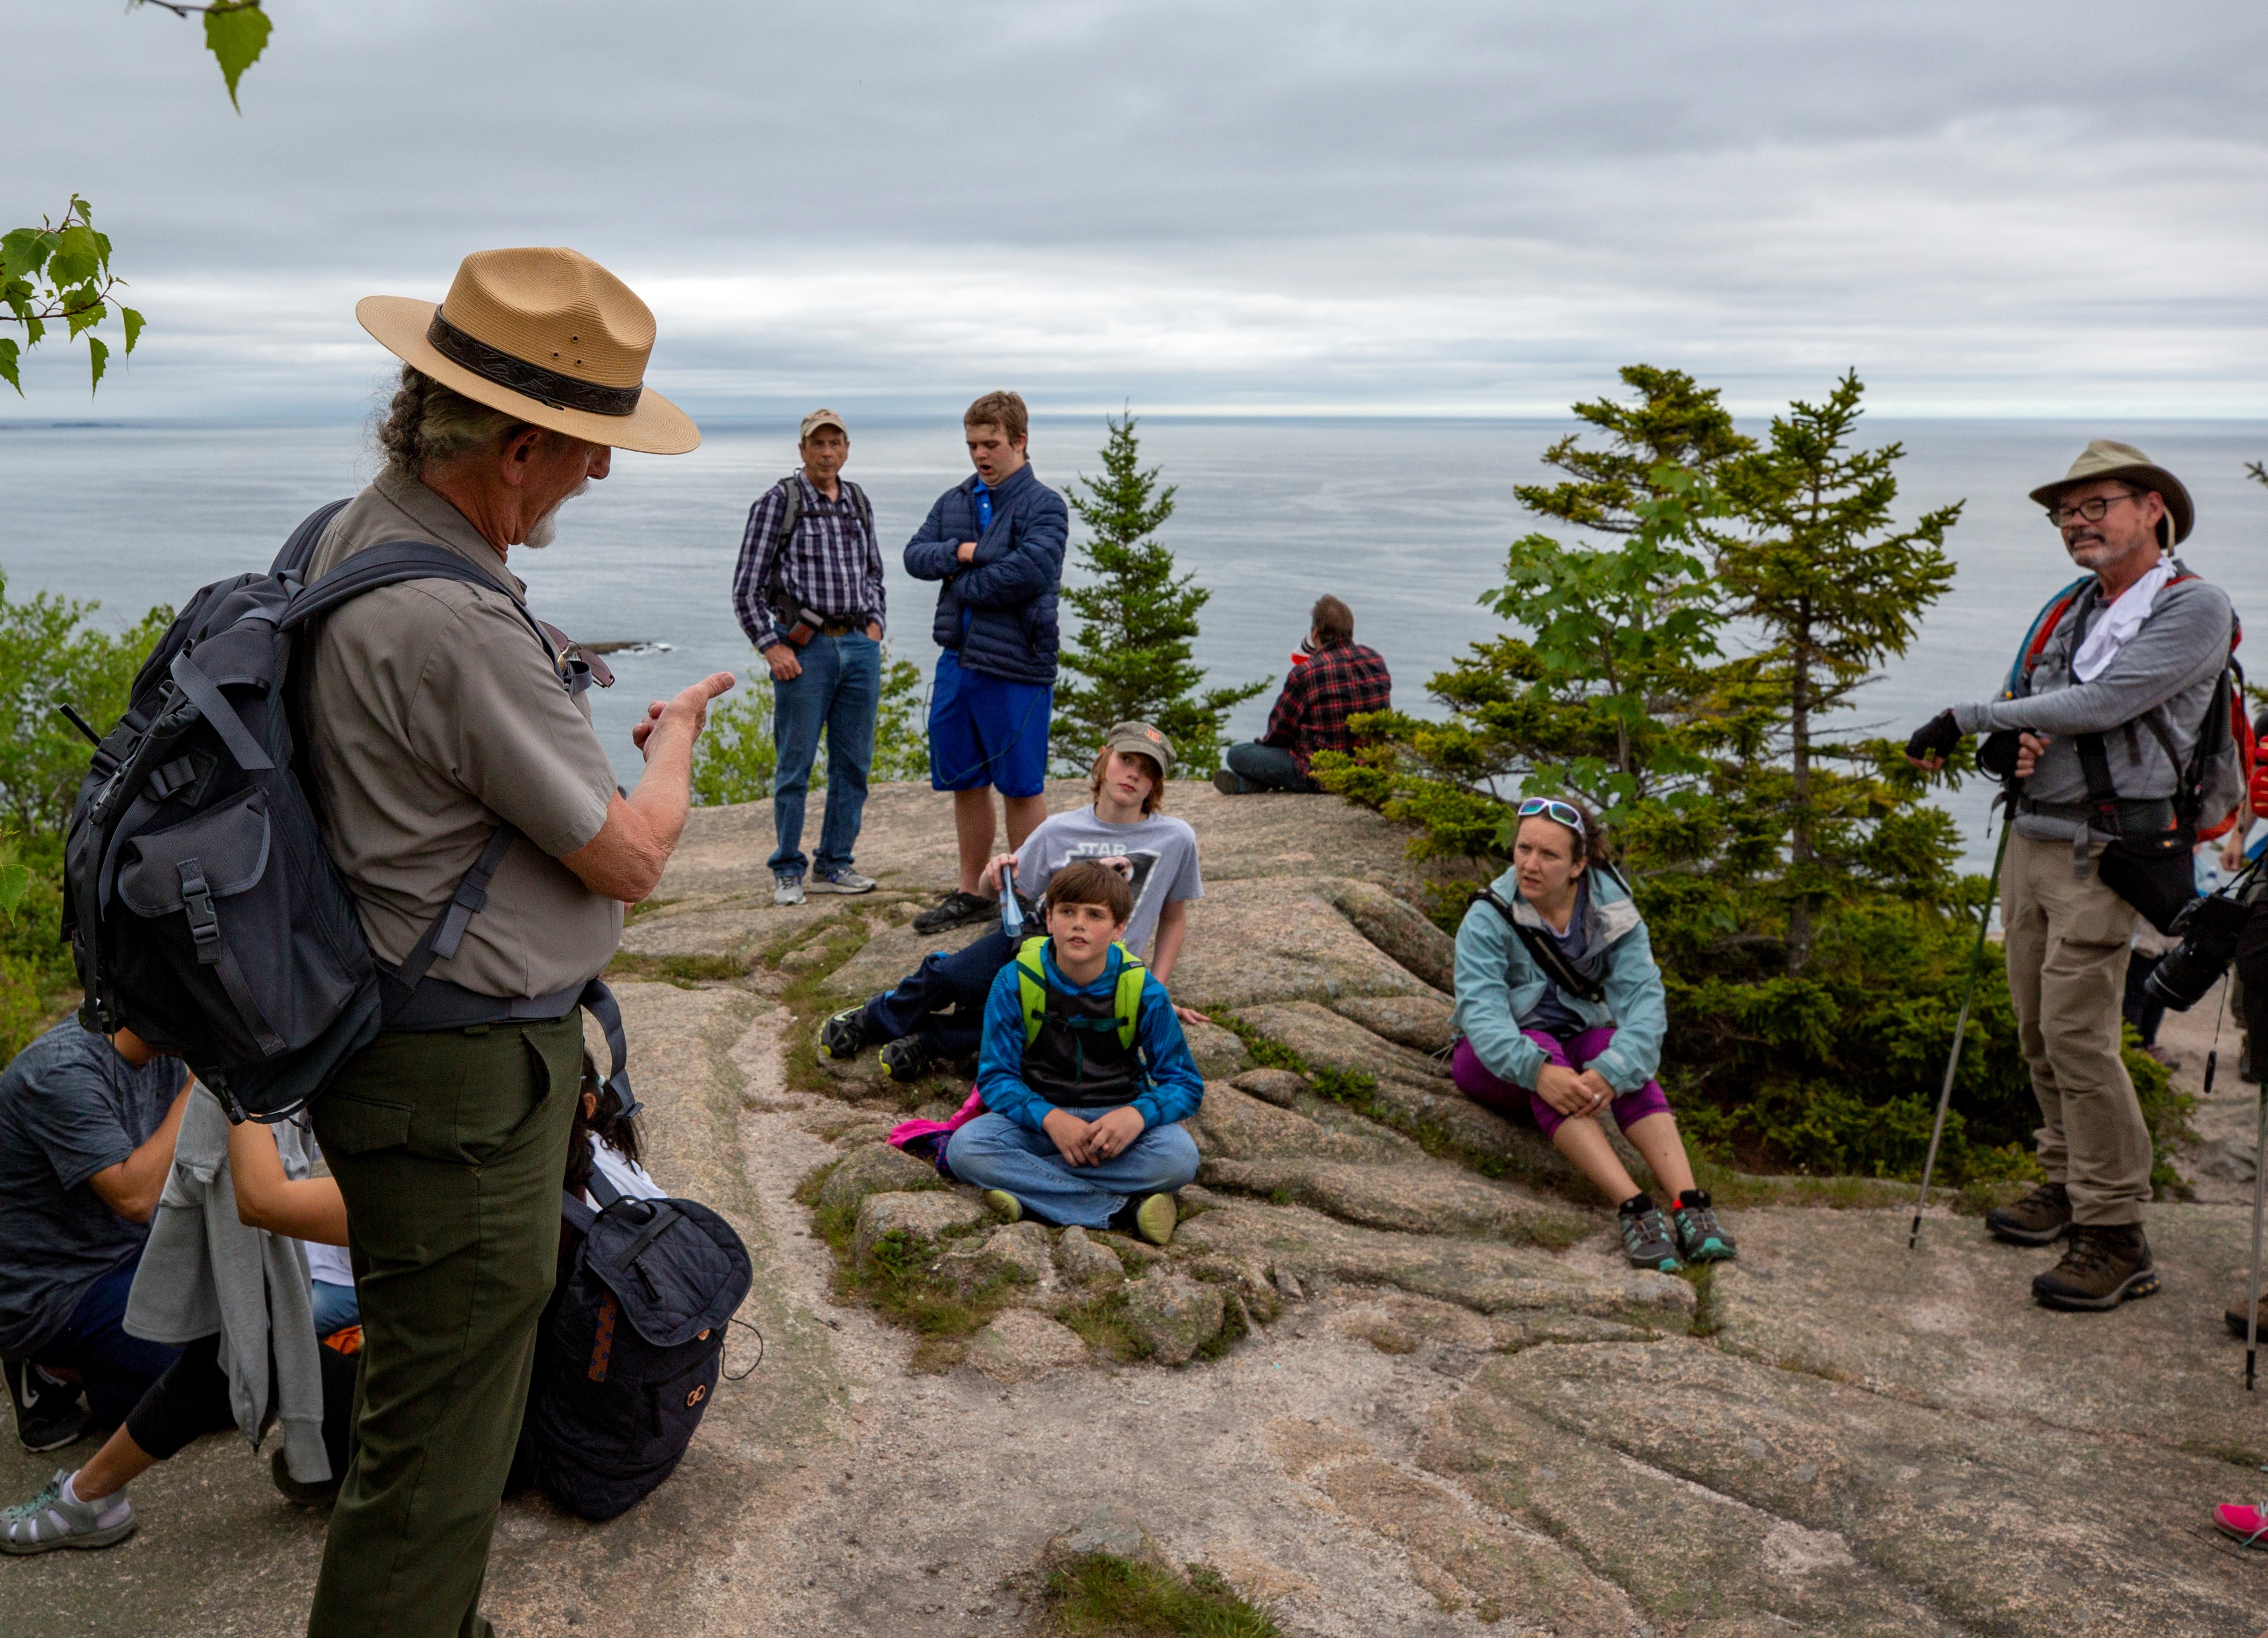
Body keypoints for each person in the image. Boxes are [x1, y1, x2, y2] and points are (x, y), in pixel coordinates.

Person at [301, 246, 731, 1637]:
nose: (597, 477)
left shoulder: (347, 533)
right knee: (436, 1442)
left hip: (409, 1051)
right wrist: (672, 748)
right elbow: (629, 853)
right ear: (521, 444)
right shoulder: (453, 618)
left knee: (451, 1396)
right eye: (588, 451)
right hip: (458, 1083)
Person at [1906, 440, 2229, 1313]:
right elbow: (2044, 703)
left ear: (2153, 508)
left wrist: (1970, 715)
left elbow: (2105, 703)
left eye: (2097, 506)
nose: (2077, 524)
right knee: (2037, 1032)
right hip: (2037, 839)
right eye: (2066, 512)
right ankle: (2069, 1185)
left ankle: (2117, 1232)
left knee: (2081, 1038)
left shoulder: (2193, 609)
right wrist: (2004, 743)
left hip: (2105, 852)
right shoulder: (2074, 608)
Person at [3, 1093, 359, 1552]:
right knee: (244, 1336)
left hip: (445, 1402)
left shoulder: (431, 1188)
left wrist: (229, 1065)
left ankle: (88, 1492)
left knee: (250, 1342)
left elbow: (262, 1201)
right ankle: (342, 1448)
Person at [820, 722, 1206, 1080]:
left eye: (1149, 769)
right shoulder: (1059, 829)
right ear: (1104, 757)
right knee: (952, 975)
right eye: (1126, 760)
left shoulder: (1175, 838)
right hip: (1034, 938)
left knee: (1022, 1016)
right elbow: (1003, 896)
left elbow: (1173, 917)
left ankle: (930, 1042)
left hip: (1102, 966)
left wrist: (1153, 990)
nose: (1134, 774)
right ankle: (874, 1017)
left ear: (1156, 783)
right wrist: (992, 877)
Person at [1449, 797, 1734, 1272]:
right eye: (1523, 849)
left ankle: (1690, 1205)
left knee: (1614, 1051)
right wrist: (1538, 1072)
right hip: (1491, 1059)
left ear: (1580, 863)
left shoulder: (1610, 907)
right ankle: (1636, 1209)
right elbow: (1482, 1017)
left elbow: (1644, 1002)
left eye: (1549, 855)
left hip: (1574, 1038)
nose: (1530, 864)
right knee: (1544, 1053)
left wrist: (1610, 1072)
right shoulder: (1489, 915)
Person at [943, 860, 1205, 1245]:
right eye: (1067, 911)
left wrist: (1137, 1115)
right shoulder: (1015, 980)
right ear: (1049, 919)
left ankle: (1031, 1192)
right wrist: (1049, 1118)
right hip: (1038, 1121)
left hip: (1113, 1125)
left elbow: (1184, 1083)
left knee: (1179, 1156)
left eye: (1095, 915)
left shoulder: (1143, 989)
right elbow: (996, 1077)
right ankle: (1124, 1207)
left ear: (1119, 930)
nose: (1078, 924)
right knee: (966, 1149)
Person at [903, 392, 1069, 933]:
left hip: (1017, 666)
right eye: (973, 444)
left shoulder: (1045, 505)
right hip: (958, 662)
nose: (981, 454)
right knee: (966, 780)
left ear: (1020, 440)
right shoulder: (955, 500)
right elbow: (914, 556)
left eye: (991, 444)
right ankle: (972, 890)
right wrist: (965, 552)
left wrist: (959, 581)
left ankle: (1029, 897)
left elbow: (1028, 573)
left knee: (1021, 785)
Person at [0, 1021, 191, 1455]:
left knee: (246, 1338)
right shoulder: (60, 1073)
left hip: (127, 1251)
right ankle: (47, 1367)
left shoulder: (163, 1047)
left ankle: (114, 1382)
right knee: (225, 1374)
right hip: (53, 1291)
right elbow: (135, 1196)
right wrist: (197, 1091)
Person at [731, 408, 887, 907]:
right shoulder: (780, 502)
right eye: (817, 444)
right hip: (805, 650)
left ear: (846, 449)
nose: (826, 453)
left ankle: (835, 863)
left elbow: (875, 574)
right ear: (802, 450)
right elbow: (746, 588)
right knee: (794, 765)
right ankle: (787, 869)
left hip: (858, 647)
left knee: (853, 764)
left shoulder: (857, 500)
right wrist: (770, 646)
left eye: (834, 443)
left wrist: (874, 625)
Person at [1215, 594, 1390, 794]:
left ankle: (1255, 782)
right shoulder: (1375, 660)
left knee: (1237, 754)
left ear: (1315, 633)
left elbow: (1278, 734)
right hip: (1368, 772)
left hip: (1320, 777)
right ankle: (1251, 783)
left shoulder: (1307, 672)